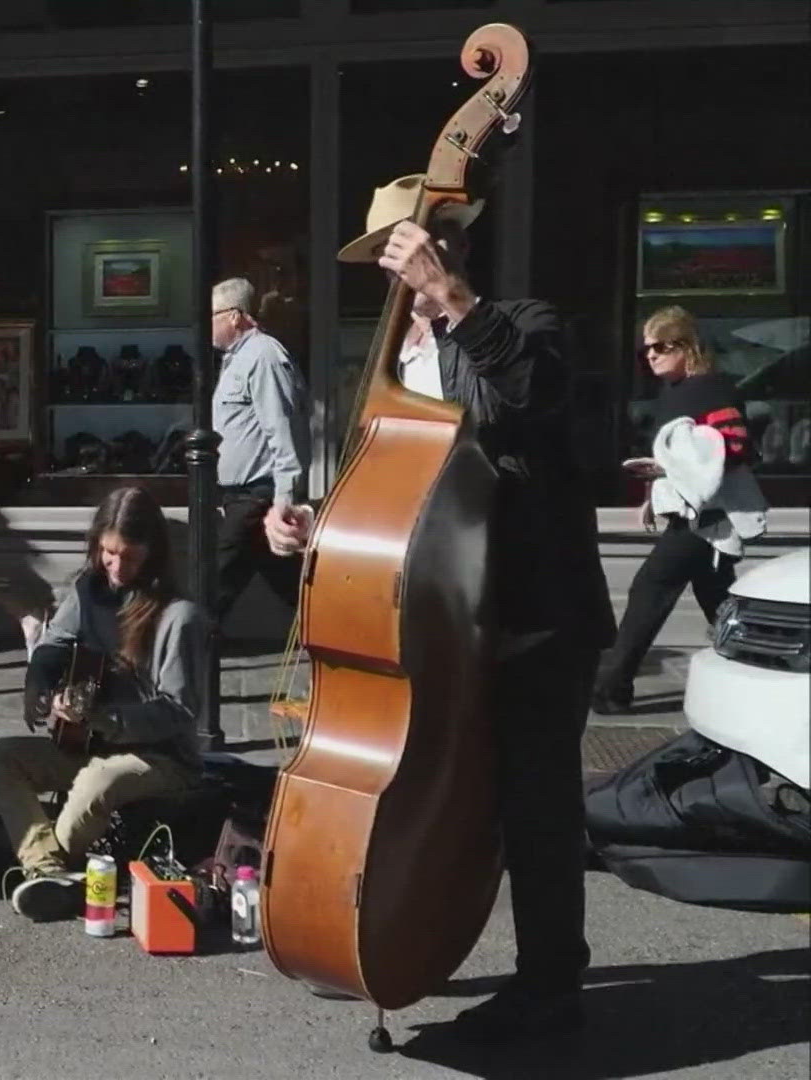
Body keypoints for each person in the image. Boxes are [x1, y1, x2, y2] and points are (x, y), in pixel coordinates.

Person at [269, 173, 616, 1044]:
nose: (401, 273)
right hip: (442, 624)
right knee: (453, 799)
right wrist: (321, 521)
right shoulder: (391, 362)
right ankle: (410, 935)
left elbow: (525, 404)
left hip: (534, 614)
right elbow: (398, 492)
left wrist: (452, 298)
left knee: (536, 809)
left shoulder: (522, 323)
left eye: (411, 251)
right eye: (393, 259)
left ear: (449, 243)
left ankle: (551, 987)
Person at [0, 486, 207, 921]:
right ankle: (44, 871)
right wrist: (39, 684)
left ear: (154, 554)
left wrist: (105, 719)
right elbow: (57, 641)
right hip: (90, 743)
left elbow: (178, 711)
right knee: (0, 756)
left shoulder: (180, 617)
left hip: (161, 758)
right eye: (108, 553)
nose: (117, 568)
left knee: (96, 782)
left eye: (131, 557)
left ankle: (40, 867)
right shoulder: (89, 588)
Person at [593, 305, 766, 713]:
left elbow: (736, 448)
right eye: (646, 349)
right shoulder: (676, 393)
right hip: (695, 516)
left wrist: (671, 472)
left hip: (708, 518)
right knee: (720, 601)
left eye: (660, 347)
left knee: (649, 588)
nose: (650, 355)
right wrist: (656, 490)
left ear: (686, 347)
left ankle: (611, 689)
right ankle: (763, 667)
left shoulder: (711, 388)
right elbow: (684, 456)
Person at [210, 276, 311, 645]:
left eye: (213, 316)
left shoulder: (264, 355)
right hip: (241, 495)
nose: (208, 325)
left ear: (235, 317)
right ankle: (341, 637)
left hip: (258, 495)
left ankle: (187, 660)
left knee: (214, 585)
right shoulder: (235, 360)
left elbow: (281, 426)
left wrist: (284, 495)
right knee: (294, 586)